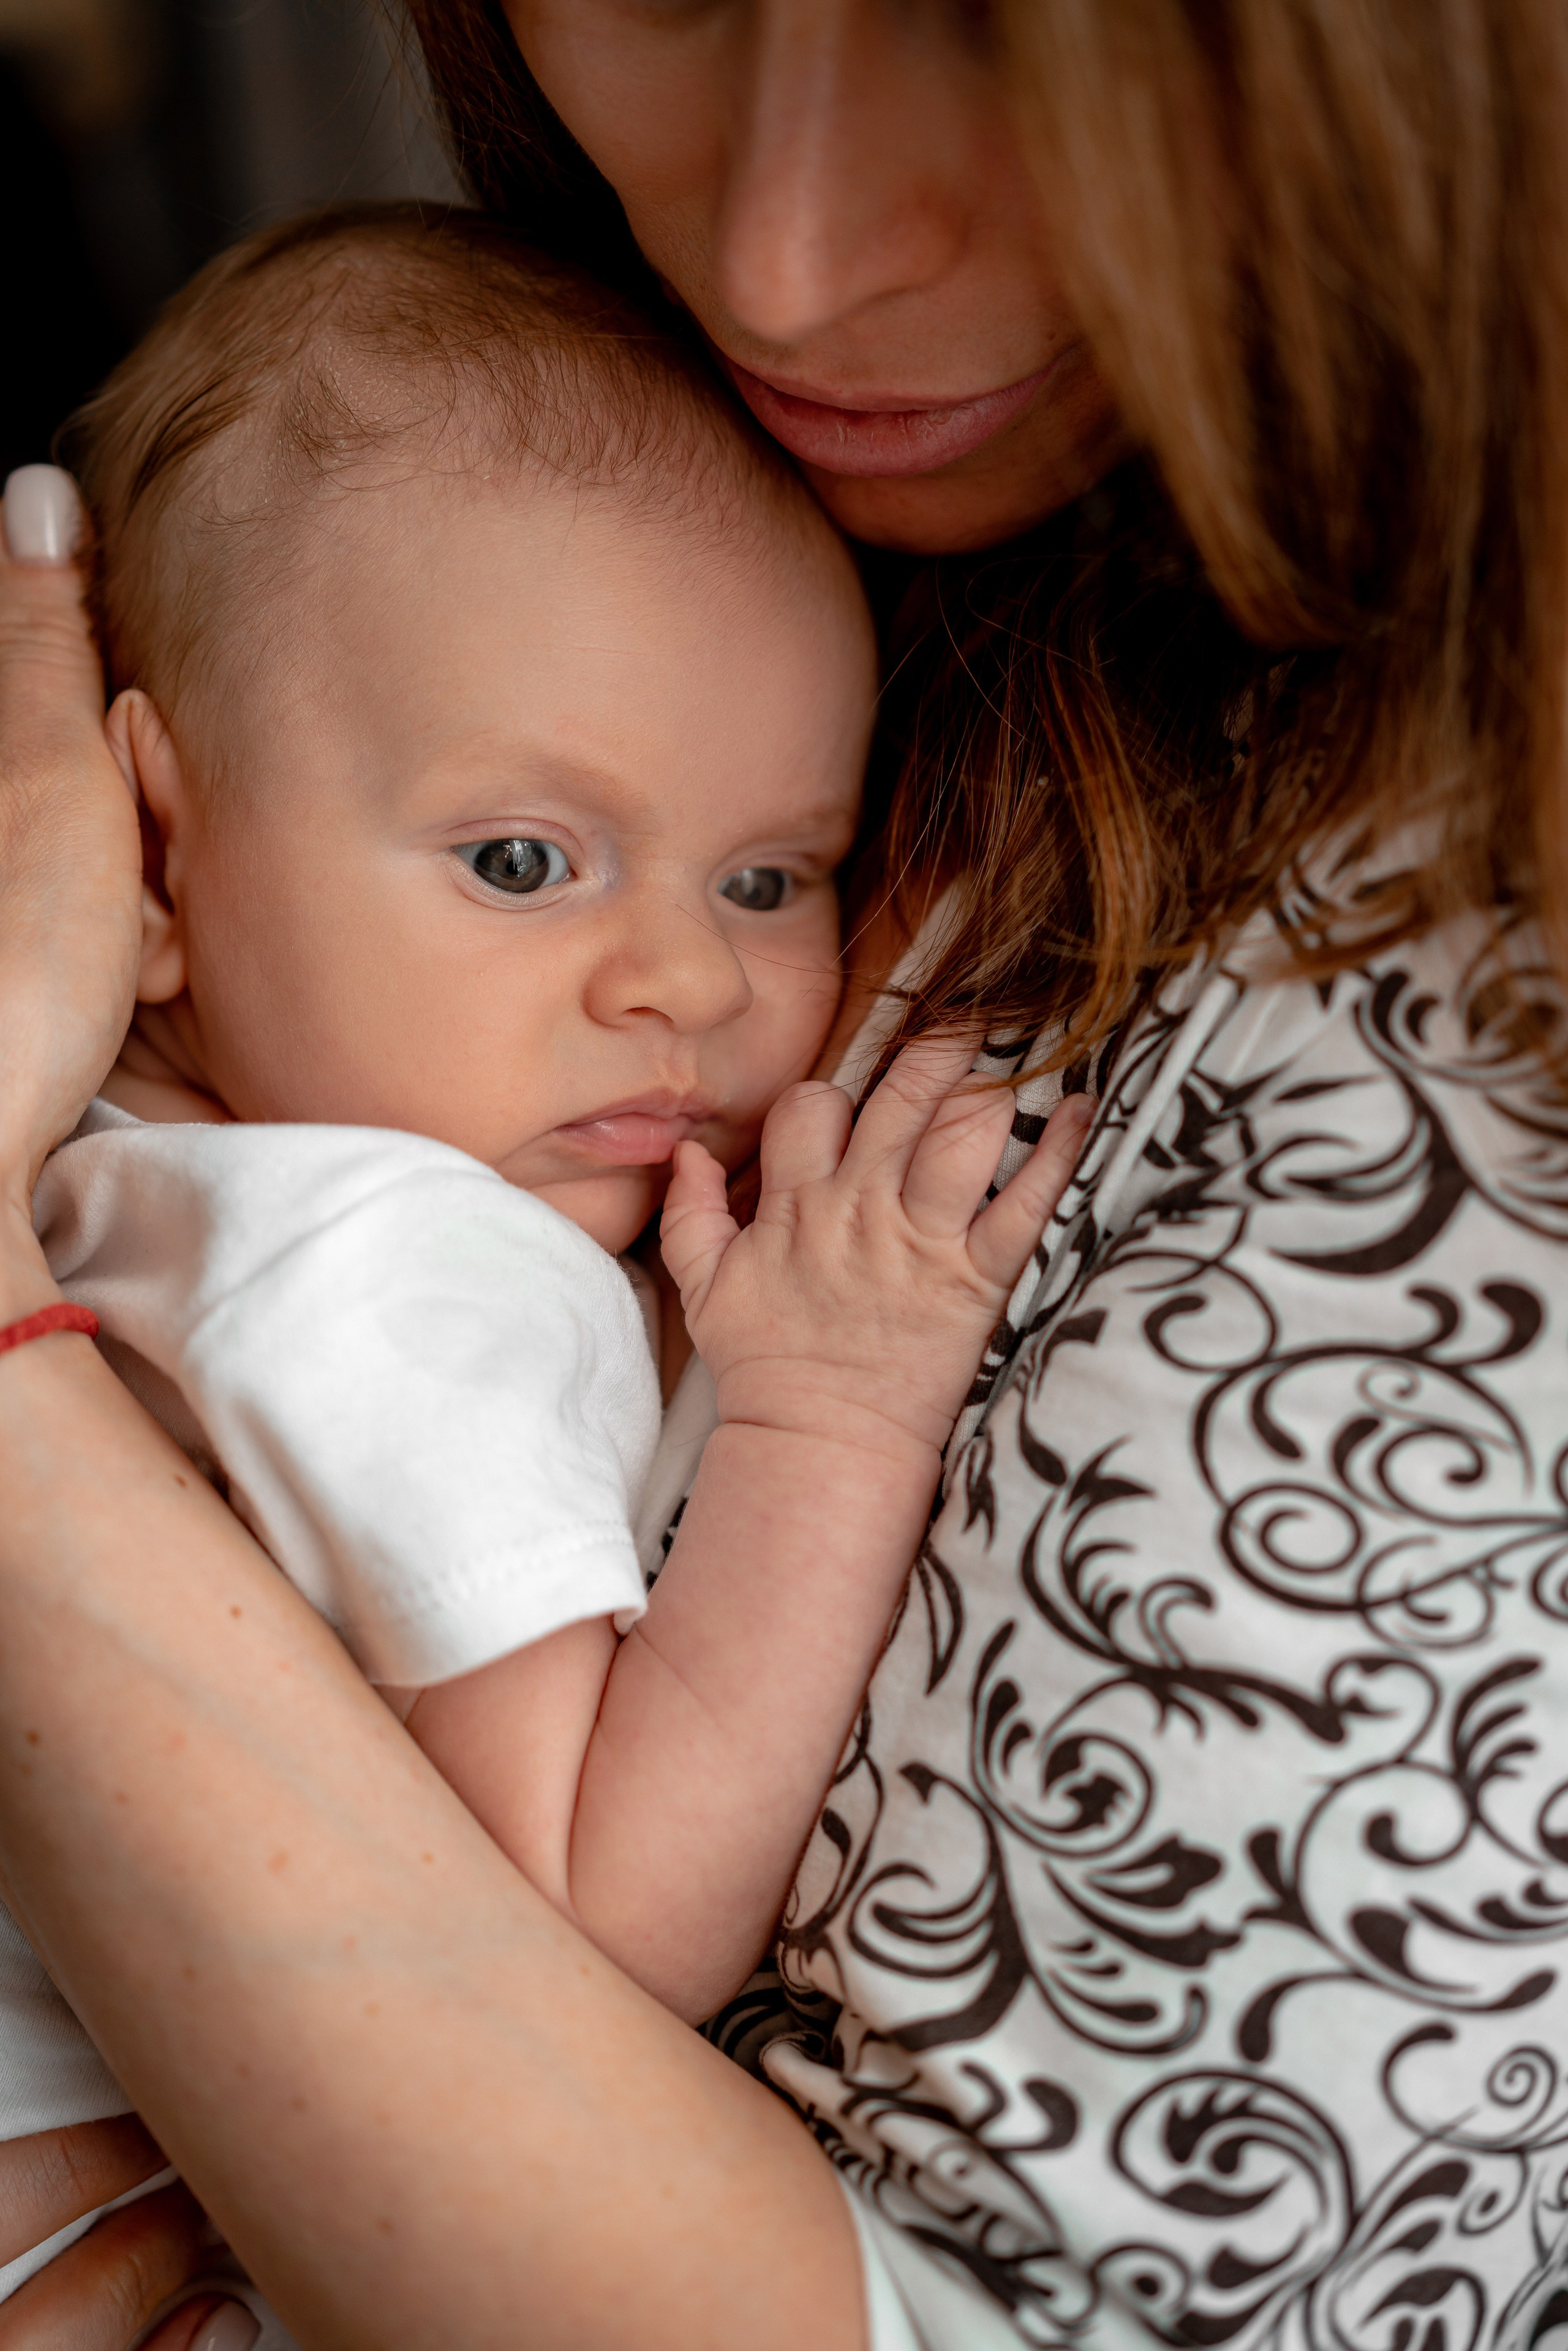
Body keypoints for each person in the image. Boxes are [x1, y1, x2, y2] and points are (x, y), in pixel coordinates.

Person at [1, 2, 1566, 2347]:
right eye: (525, 858)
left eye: (770, 880)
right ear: (148, 838)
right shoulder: (386, 1272)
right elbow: (598, 1918)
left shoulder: (152, 1179)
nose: (683, 995)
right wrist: (834, 1418)